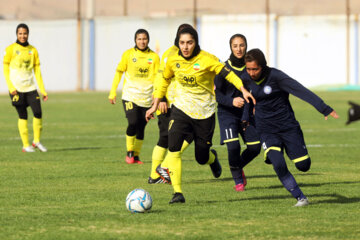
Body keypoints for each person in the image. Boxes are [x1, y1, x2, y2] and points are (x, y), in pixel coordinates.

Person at [145, 27, 256, 204]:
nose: (185, 47)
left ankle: (212, 158)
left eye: (189, 42)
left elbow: (228, 74)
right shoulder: (173, 60)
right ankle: (177, 192)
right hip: (181, 109)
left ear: (195, 42)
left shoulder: (207, 59)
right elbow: (164, 80)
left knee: (201, 157)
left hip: (205, 113)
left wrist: (242, 89)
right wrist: (155, 104)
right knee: (173, 149)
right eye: (182, 43)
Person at [242, 48, 339, 206]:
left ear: (263, 66)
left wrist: (324, 108)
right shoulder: (245, 78)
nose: (251, 73)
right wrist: (245, 118)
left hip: (287, 126)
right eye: (248, 69)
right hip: (266, 129)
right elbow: (245, 97)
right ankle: (300, 197)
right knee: (278, 163)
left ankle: (281, 150)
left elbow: (300, 90)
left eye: (255, 69)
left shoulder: (276, 77)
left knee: (303, 166)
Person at [148, 24, 194, 184]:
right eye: (183, 39)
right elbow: (161, 77)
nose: (186, 43)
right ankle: (160, 171)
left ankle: (155, 176)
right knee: (172, 137)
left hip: (182, 103)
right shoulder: (170, 54)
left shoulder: (190, 55)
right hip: (169, 103)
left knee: (168, 138)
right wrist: (161, 100)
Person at [214, 34, 261, 192]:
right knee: (233, 147)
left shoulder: (251, 67)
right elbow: (216, 95)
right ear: (230, 47)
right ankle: (238, 180)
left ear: (246, 46)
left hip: (245, 114)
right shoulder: (222, 68)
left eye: (241, 45)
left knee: (255, 148)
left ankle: (237, 166)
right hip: (226, 113)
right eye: (235, 46)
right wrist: (231, 101)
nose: (239, 49)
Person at [109, 29, 160, 164]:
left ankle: (136, 156)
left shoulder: (154, 57)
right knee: (132, 122)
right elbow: (119, 72)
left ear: (148, 40)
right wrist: (112, 91)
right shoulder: (128, 54)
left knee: (141, 127)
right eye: (139, 39)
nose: (142, 41)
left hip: (147, 98)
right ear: (135, 40)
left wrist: (157, 96)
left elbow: (157, 78)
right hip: (130, 96)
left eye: (144, 39)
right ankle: (129, 151)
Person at [3, 23, 48, 152]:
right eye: (20, 33)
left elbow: (37, 71)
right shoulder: (10, 49)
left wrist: (43, 90)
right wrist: (11, 87)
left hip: (31, 88)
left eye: (25, 33)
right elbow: (5, 70)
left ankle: (37, 141)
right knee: (23, 115)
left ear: (28, 34)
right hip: (16, 89)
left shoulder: (33, 50)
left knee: (38, 113)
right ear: (16, 34)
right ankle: (26, 145)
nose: (23, 36)